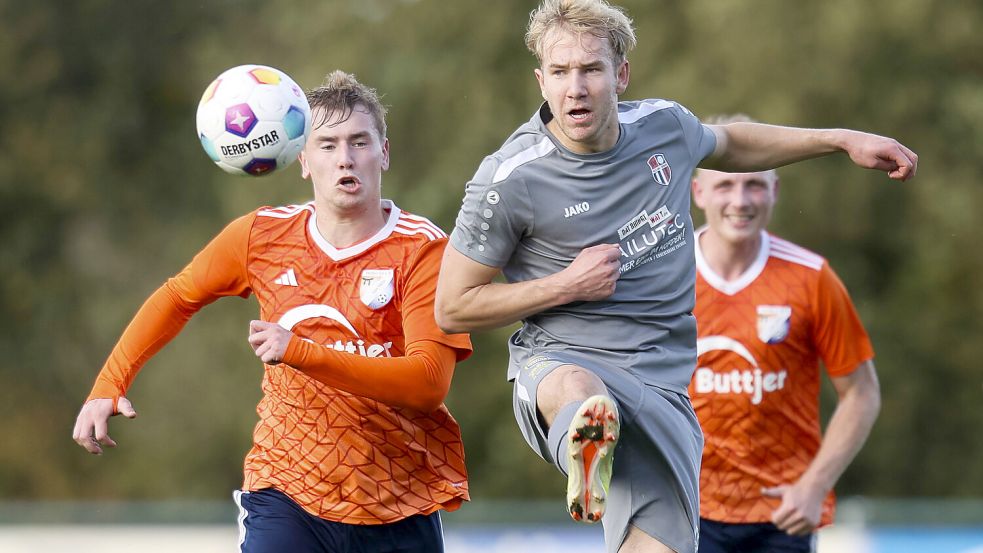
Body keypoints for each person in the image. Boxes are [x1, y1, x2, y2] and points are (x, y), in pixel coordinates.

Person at [434, 1, 915, 552]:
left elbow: (734, 144)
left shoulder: (664, 127)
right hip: (560, 357)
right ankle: (583, 437)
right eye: (561, 73)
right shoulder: (508, 178)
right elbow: (452, 307)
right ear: (540, 80)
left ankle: (599, 440)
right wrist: (565, 286)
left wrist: (841, 139)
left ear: (621, 74)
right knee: (583, 392)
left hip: (661, 380)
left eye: (591, 70)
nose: (576, 89)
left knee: (661, 547)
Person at [72, 70, 472, 553]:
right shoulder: (261, 236)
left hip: (396, 497)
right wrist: (108, 385)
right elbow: (178, 296)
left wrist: (301, 352)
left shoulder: (423, 250)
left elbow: (428, 384)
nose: (345, 159)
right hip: (286, 491)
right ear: (302, 158)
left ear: (384, 152)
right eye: (327, 145)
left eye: (359, 142)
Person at [690, 114, 880, 553]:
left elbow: (862, 393)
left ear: (774, 191)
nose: (740, 199)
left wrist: (815, 486)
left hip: (780, 515)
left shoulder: (811, 279)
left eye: (754, 184)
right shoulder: (665, 275)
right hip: (684, 505)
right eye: (725, 185)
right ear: (698, 192)